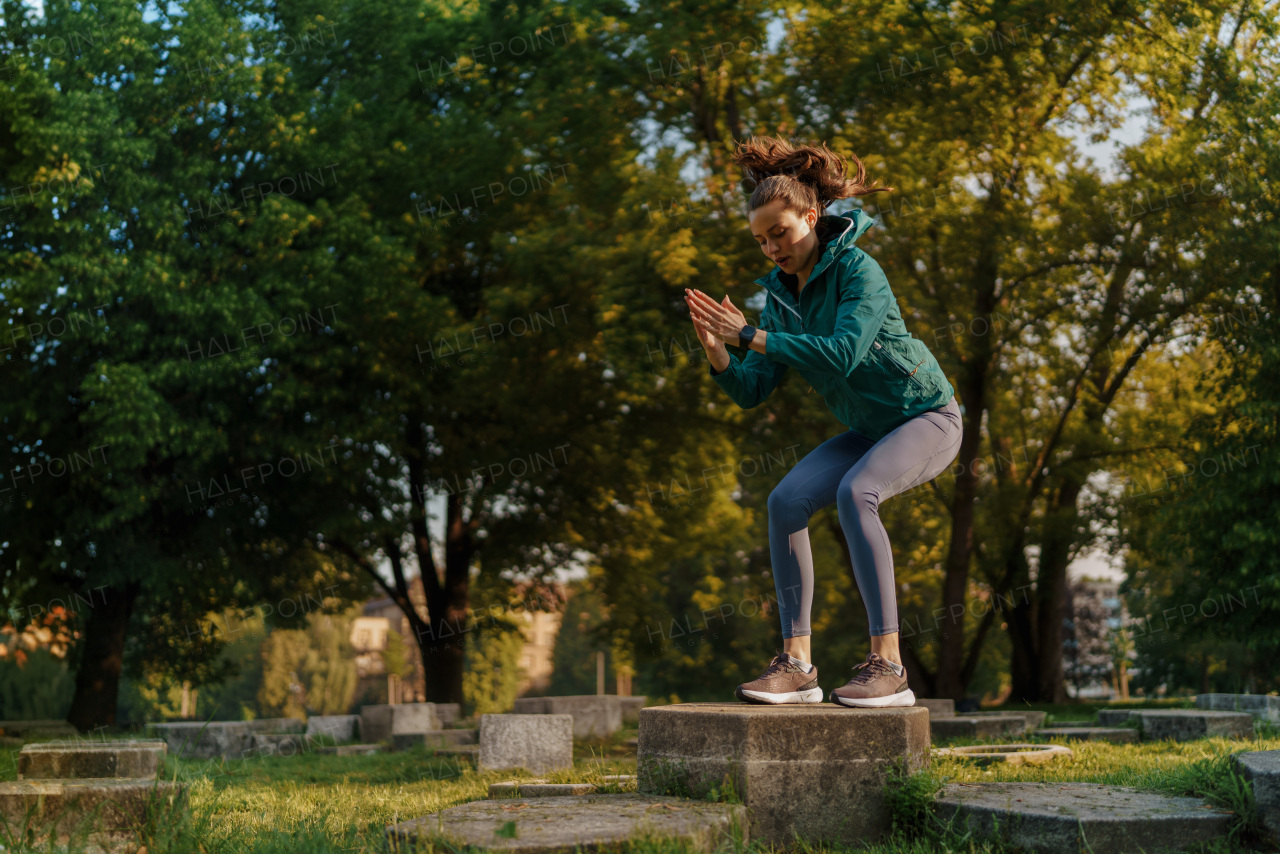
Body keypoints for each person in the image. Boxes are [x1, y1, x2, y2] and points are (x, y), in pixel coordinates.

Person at [684, 135, 962, 708]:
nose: (771, 249)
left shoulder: (860, 270)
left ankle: (889, 665)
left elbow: (841, 353)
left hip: (927, 417)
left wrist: (751, 336)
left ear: (811, 216)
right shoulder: (781, 300)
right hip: (867, 428)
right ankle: (798, 666)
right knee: (785, 501)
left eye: (780, 233)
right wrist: (719, 350)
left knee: (856, 489)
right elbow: (753, 388)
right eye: (760, 241)